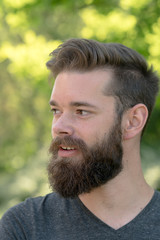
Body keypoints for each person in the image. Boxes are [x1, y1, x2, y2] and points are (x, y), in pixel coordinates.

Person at [0, 38, 159, 239]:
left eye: (81, 111)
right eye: (56, 110)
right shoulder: (24, 227)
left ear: (133, 121)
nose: (59, 127)